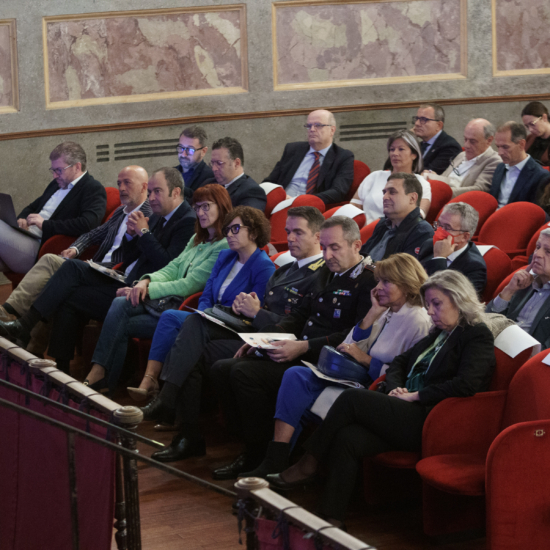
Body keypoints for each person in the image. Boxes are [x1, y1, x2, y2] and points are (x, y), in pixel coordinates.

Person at [268, 270, 496, 527]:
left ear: (459, 299)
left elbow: (466, 384)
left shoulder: (476, 335)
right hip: (407, 407)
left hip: (433, 419)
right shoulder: (439, 332)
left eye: (437, 304)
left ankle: (308, 463)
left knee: (352, 399)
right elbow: (399, 363)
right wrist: (396, 389)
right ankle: (330, 519)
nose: (431, 311)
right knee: (348, 438)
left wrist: (415, 395)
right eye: (428, 304)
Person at [209, 216, 376, 478]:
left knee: (243, 374)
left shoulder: (368, 281)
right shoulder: (325, 272)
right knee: (222, 368)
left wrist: (303, 347)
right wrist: (264, 340)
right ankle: (248, 445)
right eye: (324, 247)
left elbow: (352, 335)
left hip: (324, 361)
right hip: (299, 348)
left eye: (335, 248)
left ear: (356, 245)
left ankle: (259, 453)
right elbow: (299, 316)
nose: (327, 255)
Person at [242, 253, 432, 479]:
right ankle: (276, 459)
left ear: (408, 284)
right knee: (296, 375)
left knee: (299, 391)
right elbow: (347, 345)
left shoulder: (418, 321)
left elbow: (406, 375)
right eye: (379, 281)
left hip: (375, 388)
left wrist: (365, 359)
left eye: (386, 282)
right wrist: (372, 313)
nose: (378, 287)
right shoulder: (387, 310)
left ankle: (292, 465)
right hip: (352, 374)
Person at [0, 167, 196, 373]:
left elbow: (167, 264)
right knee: (67, 291)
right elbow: (127, 252)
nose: (152, 197)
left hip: (143, 291)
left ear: (175, 192)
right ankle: (60, 367)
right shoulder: (153, 215)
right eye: (152, 192)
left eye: (157, 191)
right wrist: (131, 236)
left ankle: (24, 326)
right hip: (122, 276)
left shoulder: (184, 221)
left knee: (69, 271)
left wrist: (143, 233)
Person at [136, 206, 275, 457]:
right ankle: (188, 436)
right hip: (212, 322)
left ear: (253, 232)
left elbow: (257, 314)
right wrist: (205, 315)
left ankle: (167, 401)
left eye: (236, 229)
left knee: (188, 329)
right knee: (192, 348)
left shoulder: (263, 266)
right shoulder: (225, 257)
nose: (229, 234)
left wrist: (218, 316)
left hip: (239, 331)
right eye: (227, 229)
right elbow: (207, 295)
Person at [82, 184, 233, 393]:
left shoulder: (224, 245)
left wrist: (149, 289)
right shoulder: (197, 238)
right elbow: (172, 268)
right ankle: (102, 377)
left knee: (120, 321)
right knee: (120, 304)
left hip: (182, 309)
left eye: (206, 206)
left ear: (222, 206)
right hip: (164, 302)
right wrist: (145, 281)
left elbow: (190, 284)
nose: (200, 213)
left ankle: (104, 379)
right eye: (197, 207)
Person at [0, 166, 152, 324]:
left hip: (113, 274)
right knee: (54, 267)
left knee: (51, 261)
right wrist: (75, 248)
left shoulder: (150, 217)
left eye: (127, 182)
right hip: (96, 267)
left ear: (144, 187)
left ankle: (12, 313)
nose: (121, 188)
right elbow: (93, 234)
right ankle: (23, 329)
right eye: (119, 183)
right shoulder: (121, 211)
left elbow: (141, 256)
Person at [0, 142, 106, 274]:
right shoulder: (57, 183)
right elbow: (33, 207)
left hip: (40, 247)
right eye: (53, 170)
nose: (55, 175)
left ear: (77, 167)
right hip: (26, 235)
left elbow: (88, 224)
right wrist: (22, 218)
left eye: (59, 170)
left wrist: (45, 225)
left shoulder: (92, 188)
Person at [263, 109, 354, 205]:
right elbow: (271, 181)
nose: (312, 129)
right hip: (282, 202)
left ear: (332, 130)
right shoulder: (293, 149)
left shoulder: (343, 157)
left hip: (310, 207)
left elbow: (338, 192)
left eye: (318, 125)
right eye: (309, 126)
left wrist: (301, 201)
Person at [486, 228, 550, 350]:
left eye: (548, 251)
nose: (537, 254)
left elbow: (544, 352)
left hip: (524, 356)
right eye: (538, 247)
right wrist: (509, 291)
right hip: (495, 345)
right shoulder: (526, 281)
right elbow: (487, 320)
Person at [353, 129, 431, 222]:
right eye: (392, 149)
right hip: (364, 230)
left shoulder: (422, 184)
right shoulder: (374, 177)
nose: (395, 153)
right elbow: (353, 207)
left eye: (401, 149)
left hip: (397, 230)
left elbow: (418, 216)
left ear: (414, 155)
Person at [360, 173, 434, 261]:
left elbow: (401, 269)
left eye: (392, 192)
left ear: (412, 198)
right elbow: (362, 256)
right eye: (384, 192)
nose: (384, 197)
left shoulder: (422, 232)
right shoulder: (383, 223)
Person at [418, 202, 487, 294]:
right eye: (439, 225)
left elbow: (445, 297)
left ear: (465, 237)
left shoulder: (474, 268)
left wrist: (439, 258)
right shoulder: (429, 245)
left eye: (447, 228)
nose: (439, 231)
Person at [489, 121, 550, 208]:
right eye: (498, 147)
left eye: (505, 147)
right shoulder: (500, 167)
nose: (500, 153)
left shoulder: (540, 176)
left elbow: (535, 212)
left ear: (521, 144)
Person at [433, 119, 501, 197]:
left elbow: (479, 190)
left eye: (473, 141)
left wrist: (442, 192)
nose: (466, 145)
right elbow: (444, 178)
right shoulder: (461, 155)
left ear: (489, 140)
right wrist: (430, 177)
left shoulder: (494, 161)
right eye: (465, 139)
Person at [202, 137, 266, 211]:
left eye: (219, 163)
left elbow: (247, 217)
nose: (214, 168)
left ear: (236, 163)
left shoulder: (252, 192)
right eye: (212, 163)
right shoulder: (209, 183)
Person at [409, 103, 462, 174]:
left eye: (423, 119)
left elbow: (428, 174)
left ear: (438, 125)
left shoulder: (450, 147)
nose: (417, 123)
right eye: (417, 119)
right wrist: (407, 139)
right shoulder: (420, 145)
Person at [174, 125, 214, 201]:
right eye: (181, 148)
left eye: (190, 150)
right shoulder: (170, 173)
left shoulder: (210, 177)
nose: (183, 154)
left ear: (203, 151)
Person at [521, 102, 550, 166]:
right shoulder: (529, 138)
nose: (530, 129)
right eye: (527, 126)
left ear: (544, 117)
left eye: (532, 124)